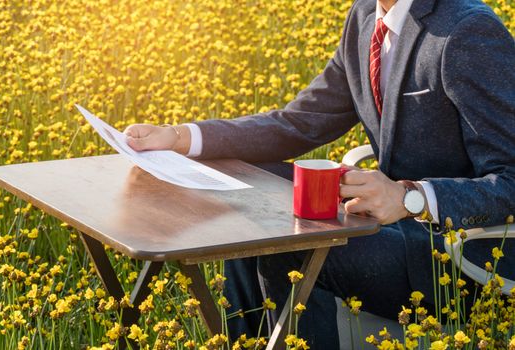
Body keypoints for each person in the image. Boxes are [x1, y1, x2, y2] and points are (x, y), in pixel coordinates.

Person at [125, 0, 515, 347]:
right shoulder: (365, 17)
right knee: (243, 201)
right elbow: (298, 123)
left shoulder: (466, 31)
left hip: (460, 259)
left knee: (291, 248)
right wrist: (179, 138)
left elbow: (511, 178)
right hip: (390, 230)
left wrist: (410, 197)